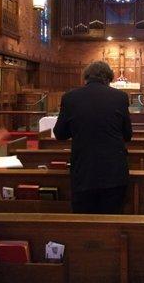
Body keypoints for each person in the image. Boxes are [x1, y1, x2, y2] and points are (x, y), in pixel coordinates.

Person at [53, 61, 132, 214]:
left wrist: (78, 129)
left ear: (86, 77)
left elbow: (60, 134)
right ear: (109, 78)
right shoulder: (120, 97)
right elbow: (127, 135)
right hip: (114, 171)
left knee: (84, 220)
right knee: (112, 219)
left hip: (83, 169)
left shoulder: (70, 98)